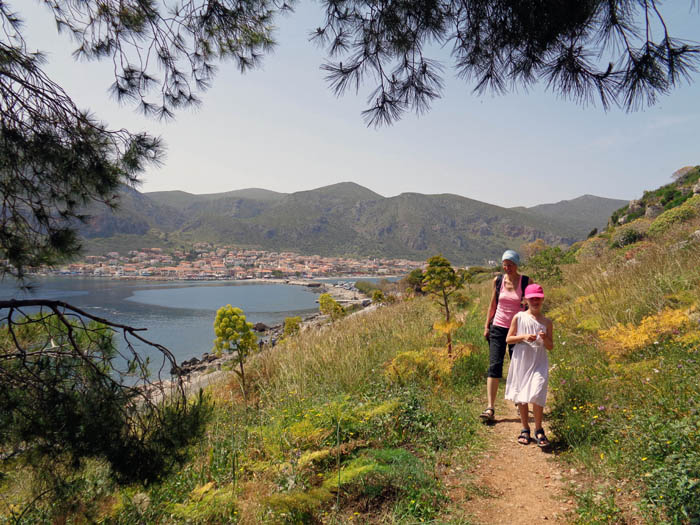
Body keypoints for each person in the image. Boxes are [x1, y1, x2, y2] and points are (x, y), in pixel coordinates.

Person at [480, 250, 529, 422]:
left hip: (517, 330)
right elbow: (492, 304)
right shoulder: (498, 281)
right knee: (494, 365)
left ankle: (519, 403)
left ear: (516, 265)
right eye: (505, 265)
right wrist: (487, 326)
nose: (507, 268)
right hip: (498, 327)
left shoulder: (525, 281)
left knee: (518, 367)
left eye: (510, 265)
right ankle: (490, 408)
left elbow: (532, 304)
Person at [504, 283, 554, 447]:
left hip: (538, 360)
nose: (535, 301)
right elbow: (508, 339)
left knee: (538, 391)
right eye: (531, 298)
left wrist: (544, 337)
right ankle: (525, 428)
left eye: (538, 298)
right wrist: (524, 336)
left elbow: (550, 346)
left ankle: (539, 429)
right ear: (525, 300)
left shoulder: (547, 322)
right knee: (522, 395)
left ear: (542, 299)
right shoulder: (519, 317)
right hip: (522, 359)